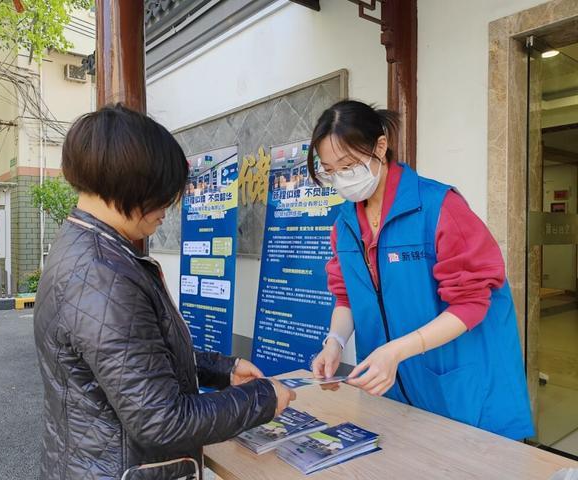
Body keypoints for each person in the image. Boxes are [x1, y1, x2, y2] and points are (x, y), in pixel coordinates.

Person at [33, 104, 295, 480]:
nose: (169, 208)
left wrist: (224, 370)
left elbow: (137, 353)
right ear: (131, 183)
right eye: (163, 193)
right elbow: (162, 420)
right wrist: (263, 399)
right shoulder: (102, 274)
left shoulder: (84, 246)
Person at [309, 100, 534, 441]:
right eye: (330, 170)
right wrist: (335, 343)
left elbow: (471, 302)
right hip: (394, 389)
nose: (341, 178)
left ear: (380, 147)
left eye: (349, 165)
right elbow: (346, 295)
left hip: (461, 387)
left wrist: (396, 351)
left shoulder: (439, 207)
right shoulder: (344, 225)